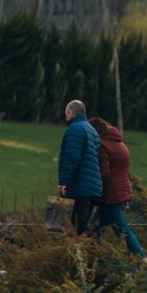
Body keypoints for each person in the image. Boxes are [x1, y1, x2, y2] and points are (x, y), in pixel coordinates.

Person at [88, 116, 147, 264]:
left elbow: (104, 174)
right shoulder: (120, 143)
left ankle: (143, 260)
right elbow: (125, 172)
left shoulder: (102, 146)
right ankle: (94, 262)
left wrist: (92, 188)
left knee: (122, 229)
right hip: (118, 193)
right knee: (93, 231)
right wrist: (126, 197)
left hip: (109, 196)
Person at [57, 99, 102, 235]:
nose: (65, 116)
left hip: (80, 188)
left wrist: (64, 181)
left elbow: (71, 157)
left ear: (70, 112)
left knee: (76, 230)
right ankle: (84, 253)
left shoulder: (75, 129)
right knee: (81, 228)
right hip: (93, 187)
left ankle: (88, 254)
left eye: (66, 113)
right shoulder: (92, 130)